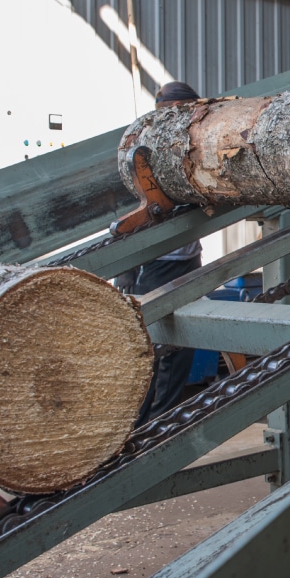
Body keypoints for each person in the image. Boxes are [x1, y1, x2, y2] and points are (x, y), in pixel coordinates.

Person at [116, 81, 203, 424]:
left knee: (179, 348)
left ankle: (158, 424)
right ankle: (141, 427)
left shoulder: (193, 141)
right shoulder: (144, 148)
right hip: (154, 264)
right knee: (154, 349)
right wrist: (127, 268)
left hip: (186, 260)